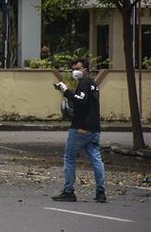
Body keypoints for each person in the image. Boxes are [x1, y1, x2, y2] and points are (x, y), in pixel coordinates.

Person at [52, 59, 106, 202]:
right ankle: (101, 192)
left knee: (69, 158)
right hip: (94, 128)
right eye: (73, 68)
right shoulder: (94, 85)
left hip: (80, 127)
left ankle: (68, 191)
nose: (74, 71)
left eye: (78, 68)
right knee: (96, 159)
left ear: (85, 70)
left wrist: (65, 91)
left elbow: (79, 102)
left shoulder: (84, 83)